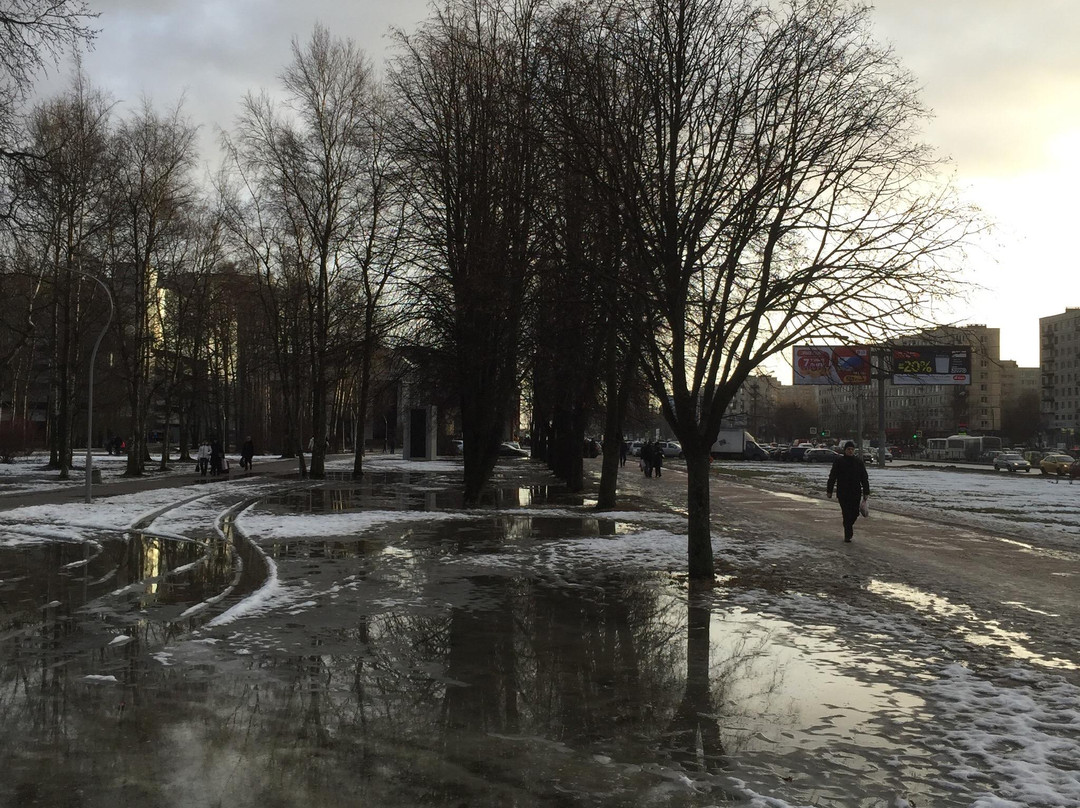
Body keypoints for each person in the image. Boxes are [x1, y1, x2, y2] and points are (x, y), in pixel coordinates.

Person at [827, 441, 870, 543]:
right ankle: (848, 534)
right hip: (843, 493)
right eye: (848, 449)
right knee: (846, 513)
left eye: (852, 449)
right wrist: (829, 490)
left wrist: (866, 492)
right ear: (845, 450)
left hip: (855, 492)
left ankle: (848, 525)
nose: (850, 451)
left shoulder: (858, 462)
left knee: (855, 513)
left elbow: (864, 478)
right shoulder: (839, 461)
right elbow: (832, 477)